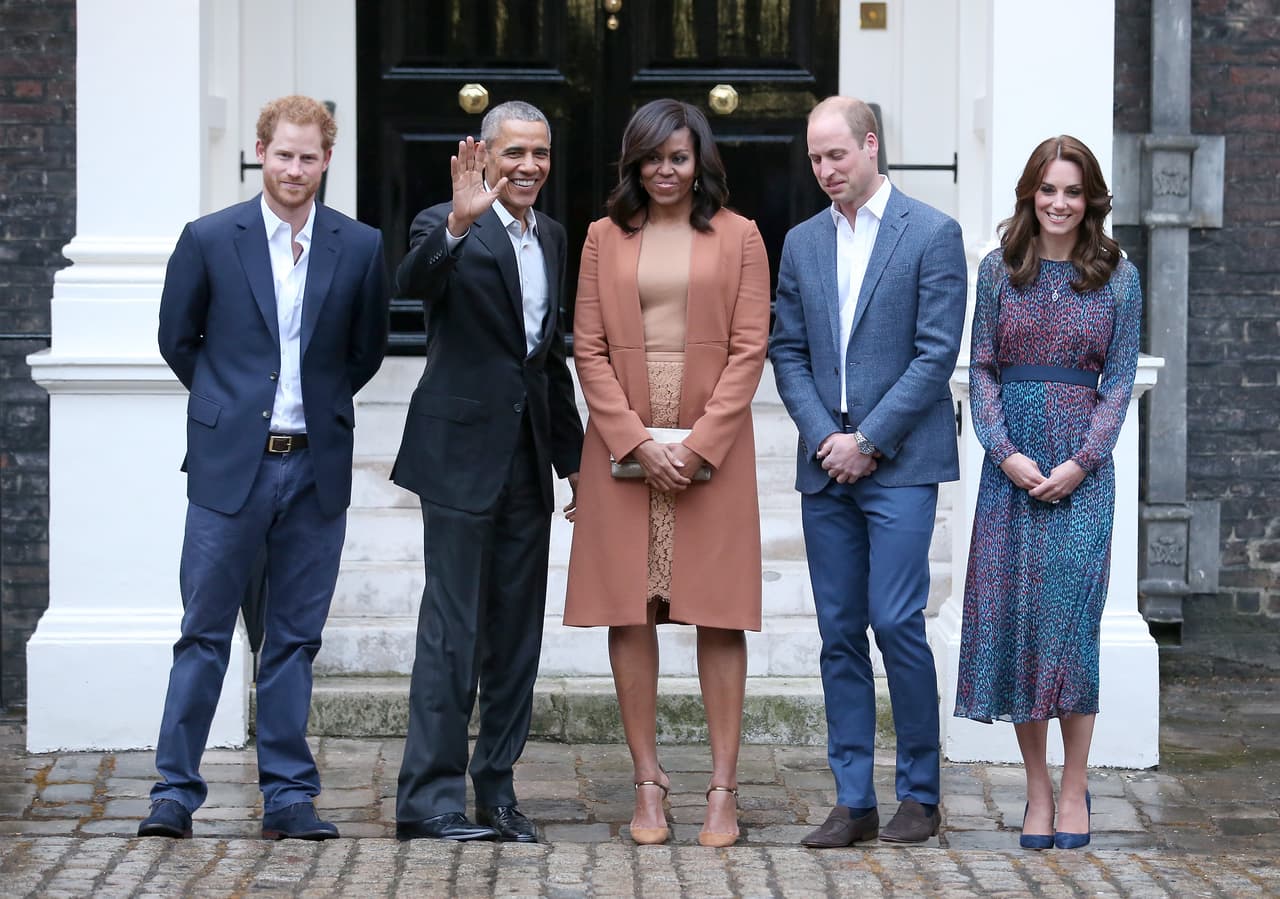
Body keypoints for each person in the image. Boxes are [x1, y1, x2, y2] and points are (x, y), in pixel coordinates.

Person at [142, 95, 390, 840]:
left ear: (327, 160)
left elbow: (365, 350)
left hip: (315, 468)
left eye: (309, 157)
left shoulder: (360, 245)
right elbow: (177, 338)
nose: (294, 168)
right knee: (203, 632)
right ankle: (173, 793)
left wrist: (314, 407)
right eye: (283, 154)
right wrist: (229, 408)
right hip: (229, 469)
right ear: (261, 152)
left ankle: (288, 796)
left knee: (292, 639)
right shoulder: (211, 238)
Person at [563, 98, 770, 848]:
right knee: (631, 609)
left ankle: (722, 789)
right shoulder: (602, 236)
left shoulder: (742, 236)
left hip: (714, 441)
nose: (665, 170)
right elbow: (587, 347)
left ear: (699, 160)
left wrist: (701, 444)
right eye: (652, 158)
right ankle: (648, 782)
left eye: (678, 157)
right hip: (624, 438)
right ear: (634, 162)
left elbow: (750, 348)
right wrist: (634, 440)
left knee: (718, 610)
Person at [770, 96, 967, 847]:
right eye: (815, 158)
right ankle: (853, 800)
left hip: (901, 463)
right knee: (838, 631)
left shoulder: (932, 233)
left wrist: (870, 440)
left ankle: (920, 793)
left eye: (837, 155)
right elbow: (787, 350)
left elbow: (934, 354)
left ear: (871, 145)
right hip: (826, 465)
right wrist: (827, 436)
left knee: (895, 620)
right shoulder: (802, 242)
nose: (825, 170)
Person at [391, 101, 584, 843]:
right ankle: (427, 800)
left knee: (516, 637)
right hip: (457, 460)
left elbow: (547, 358)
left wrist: (575, 464)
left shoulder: (553, 237)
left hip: (527, 464)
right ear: (484, 155)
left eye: (540, 153)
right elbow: (412, 283)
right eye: (514, 153)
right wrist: (457, 225)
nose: (529, 166)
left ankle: (496, 790)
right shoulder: (443, 223)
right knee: (453, 632)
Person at [954, 136, 1142, 851]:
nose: (1059, 203)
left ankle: (1074, 785)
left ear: (1090, 199)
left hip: (1082, 479)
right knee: (1021, 630)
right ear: (1030, 194)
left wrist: (1083, 461)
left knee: (1071, 632)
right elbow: (983, 369)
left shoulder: (1118, 275)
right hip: (1012, 475)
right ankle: (1037, 788)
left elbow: (1119, 381)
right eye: (1048, 189)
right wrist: (1003, 452)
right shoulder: (999, 270)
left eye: (1072, 191)